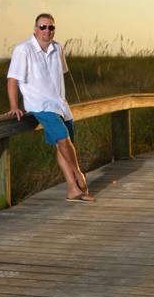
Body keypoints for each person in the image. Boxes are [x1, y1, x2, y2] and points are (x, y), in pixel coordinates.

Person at [6, 13, 95, 203]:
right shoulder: (23, 50)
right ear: (35, 29)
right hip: (40, 105)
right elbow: (12, 79)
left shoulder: (57, 48)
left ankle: (72, 189)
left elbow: (57, 75)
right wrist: (14, 106)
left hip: (60, 105)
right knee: (63, 141)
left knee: (62, 145)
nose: (47, 31)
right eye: (43, 27)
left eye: (50, 27)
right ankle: (79, 175)